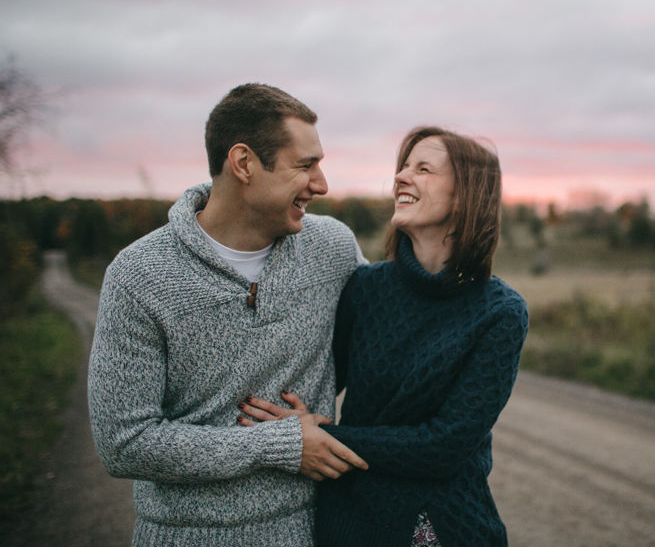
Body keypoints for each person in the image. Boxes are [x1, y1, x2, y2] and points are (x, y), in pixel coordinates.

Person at [87, 83, 369, 547]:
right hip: (186, 536)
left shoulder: (332, 247)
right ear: (243, 164)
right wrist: (281, 445)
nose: (321, 184)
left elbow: (389, 339)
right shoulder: (139, 276)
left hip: (317, 527)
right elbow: (123, 443)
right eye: (305, 165)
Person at [240, 126, 529, 547]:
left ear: (466, 195)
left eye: (424, 169)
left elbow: (444, 446)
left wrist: (328, 439)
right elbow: (315, 382)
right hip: (350, 520)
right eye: (403, 166)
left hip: (444, 524)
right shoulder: (365, 288)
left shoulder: (500, 311)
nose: (401, 177)